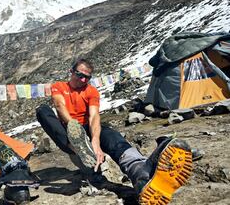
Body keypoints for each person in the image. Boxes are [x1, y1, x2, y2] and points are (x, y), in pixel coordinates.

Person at [36, 58, 193, 204]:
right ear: (71, 72)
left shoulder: (91, 91)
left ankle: (139, 173)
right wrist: (72, 126)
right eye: (79, 75)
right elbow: (59, 106)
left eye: (87, 77)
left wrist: (95, 142)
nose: (83, 80)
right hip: (67, 132)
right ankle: (76, 145)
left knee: (111, 137)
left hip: (87, 128)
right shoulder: (59, 86)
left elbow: (94, 116)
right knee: (42, 111)